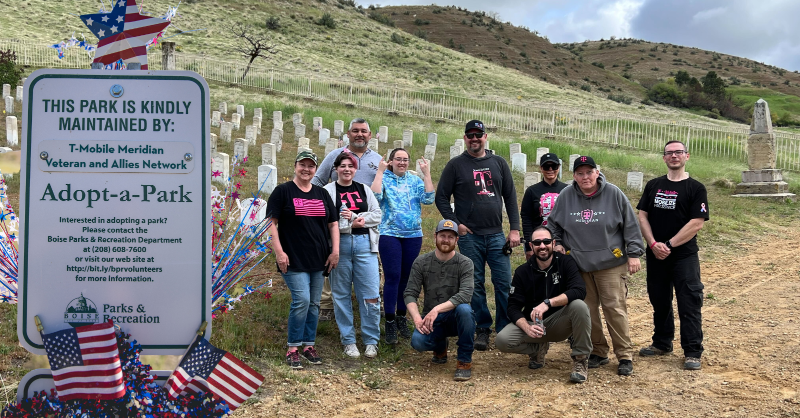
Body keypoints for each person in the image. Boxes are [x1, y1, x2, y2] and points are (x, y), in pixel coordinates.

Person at [547, 155, 645, 376]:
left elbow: (630, 223)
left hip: (611, 262)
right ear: (574, 176)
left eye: (589, 172)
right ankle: (598, 352)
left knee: (615, 309)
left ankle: (624, 355)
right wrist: (558, 243)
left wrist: (635, 253)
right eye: (580, 173)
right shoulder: (566, 196)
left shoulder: (614, 194)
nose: (585, 177)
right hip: (579, 264)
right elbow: (553, 224)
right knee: (587, 311)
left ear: (597, 172)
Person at [435, 119, 521, 351]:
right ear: (465, 138)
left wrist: (514, 229)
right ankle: (482, 326)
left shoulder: (499, 163)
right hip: (470, 236)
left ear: (485, 137)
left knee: (503, 282)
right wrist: (456, 224)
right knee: (475, 284)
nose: (474, 139)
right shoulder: (455, 165)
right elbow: (441, 197)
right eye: (470, 135)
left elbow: (511, 197)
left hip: (496, 235)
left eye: (478, 135)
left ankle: (505, 326)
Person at [636, 141, 709, 371]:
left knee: (689, 301)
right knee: (659, 301)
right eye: (669, 153)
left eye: (678, 152)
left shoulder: (696, 188)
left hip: (683, 256)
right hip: (656, 254)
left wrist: (669, 244)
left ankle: (692, 351)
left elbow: (696, 223)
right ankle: (662, 342)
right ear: (664, 158)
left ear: (687, 156)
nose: (674, 156)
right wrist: (653, 243)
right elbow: (642, 215)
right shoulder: (653, 185)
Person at [266, 150, 340, 369]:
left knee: (315, 304)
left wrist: (335, 251)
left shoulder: (322, 193)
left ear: (315, 169)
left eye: (311, 166)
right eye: (302, 165)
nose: (306, 169)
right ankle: (292, 348)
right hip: (293, 258)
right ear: (295, 166)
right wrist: (279, 252)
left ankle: (308, 345)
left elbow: (333, 224)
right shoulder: (283, 191)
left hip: (319, 258)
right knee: (302, 301)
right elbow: (271, 223)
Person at [495, 226, 591, 383]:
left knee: (579, 306)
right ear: (531, 246)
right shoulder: (522, 272)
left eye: (546, 242)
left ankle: (580, 360)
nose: (542, 246)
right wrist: (526, 327)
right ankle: (537, 348)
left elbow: (579, 290)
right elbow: (512, 307)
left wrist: (548, 303)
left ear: (553, 243)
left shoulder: (566, 262)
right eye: (537, 243)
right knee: (502, 340)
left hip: (560, 322)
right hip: (534, 325)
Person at [312, 118, 382, 321]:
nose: (359, 134)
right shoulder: (335, 155)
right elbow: (318, 180)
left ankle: (368, 302)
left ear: (370, 135)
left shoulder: (377, 159)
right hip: (337, 219)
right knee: (333, 257)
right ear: (348, 134)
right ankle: (326, 303)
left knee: (369, 263)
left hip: (366, 221)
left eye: (363, 131)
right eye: (355, 131)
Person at [371, 148, 435, 344]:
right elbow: (374, 197)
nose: (402, 163)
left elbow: (429, 198)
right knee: (393, 276)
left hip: (413, 235)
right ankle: (389, 320)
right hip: (390, 234)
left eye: (405, 160)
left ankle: (401, 317)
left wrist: (427, 174)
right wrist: (380, 172)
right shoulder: (385, 178)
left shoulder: (415, 180)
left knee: (407, 278)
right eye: (398, 159)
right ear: (391, 161)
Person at [324, 151, 383, 359]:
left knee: (370, 295)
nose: (347, 169)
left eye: (350, 166)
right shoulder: (328, 191)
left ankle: (371, 340)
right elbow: (325, 220)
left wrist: (357, 217)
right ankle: (348, 340)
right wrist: (348, 225)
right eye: (342, 166)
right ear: (336, 169)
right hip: (339, 247)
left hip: (365, 245)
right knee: (340, 295)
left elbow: (377, 215)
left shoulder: (364, 189)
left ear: (355, 169)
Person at [404, 220, 475, 381]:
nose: (446, 240)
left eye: (451, 237)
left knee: (465, 309)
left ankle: (464, 360)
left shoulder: (465, 263)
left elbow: (465, 295)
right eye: (442, 235)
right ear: (435, 237)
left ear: (457, 240)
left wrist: (436, 310)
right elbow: (410, 293)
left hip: (456, 317)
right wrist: (417, 318)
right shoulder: (421, 262)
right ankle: (440, 346)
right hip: (431, 320)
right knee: (417, 342)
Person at [520, 152, 569, 261]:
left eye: (554, 166)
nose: (550, 169)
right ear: (541, 168)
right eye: (546, 166)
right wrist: (529, 247)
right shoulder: (532, 191)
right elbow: (526, 219)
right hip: (539, 240)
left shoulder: (567, 190)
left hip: (562, 240)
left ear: (559, 167)